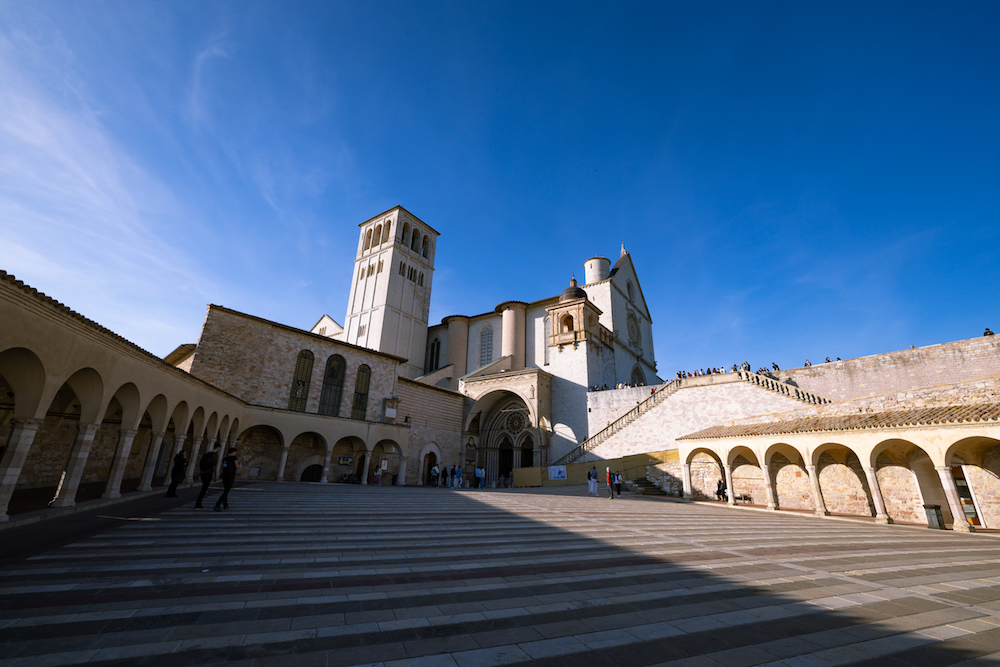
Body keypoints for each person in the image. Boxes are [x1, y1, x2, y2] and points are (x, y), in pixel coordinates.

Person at [194, 443, 221, 508]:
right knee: (204, 488)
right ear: (217, 447)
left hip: (203, 472)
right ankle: (198, 503)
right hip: (208, 473)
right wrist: (215, 475)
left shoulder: (207, 454)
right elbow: (214, 466)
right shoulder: (215, 455)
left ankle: (198, 502)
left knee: (204, 488)